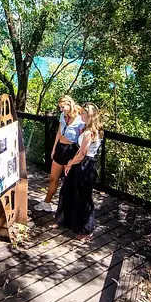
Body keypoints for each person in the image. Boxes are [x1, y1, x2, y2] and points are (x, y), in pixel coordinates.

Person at [55, 102, 103, 239]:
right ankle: (67, 221)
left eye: (82, 113)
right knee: (68, 190)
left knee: (83, 196)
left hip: (85, 165)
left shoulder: (89, 132)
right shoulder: (87, 129)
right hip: (80, 163)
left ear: (89, 115)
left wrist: (70, 163)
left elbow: (83, 153)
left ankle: (85, 229)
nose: (80, 114)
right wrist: (72, 164)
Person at [35, 95, 84, 212]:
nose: (61, 110)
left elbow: (83, 139)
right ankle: (47, 202)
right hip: (60, 148)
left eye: (63, 107)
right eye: (60, 107)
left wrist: (76, 157)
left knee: (69, 182)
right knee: (53, 178)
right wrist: (54, 148)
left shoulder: (80, 119)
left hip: (71, 150)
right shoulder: (63, 116)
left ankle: (68, 209)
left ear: (69, 104)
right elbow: (58, 132)